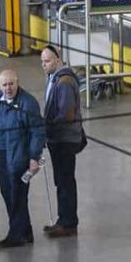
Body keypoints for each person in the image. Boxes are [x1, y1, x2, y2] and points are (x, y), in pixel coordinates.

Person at [0, 69, 45, 248]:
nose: (8, 88)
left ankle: (15, 234)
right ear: (0, 86)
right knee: (7, 193)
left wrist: (34, 157)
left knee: (17, 194)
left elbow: (37, 131)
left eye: (11, 84)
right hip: (1, 155)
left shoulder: (28, 103)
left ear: (17, 83)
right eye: (4, 85)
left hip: (20, 155)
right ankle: (25, 232)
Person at [39, 45, 85, 237]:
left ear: (58, 60)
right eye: (42, 62)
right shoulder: (54, 78)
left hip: (64, 139)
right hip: (57, 138)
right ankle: (62, 219)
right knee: (61, 180)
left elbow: (65, 113)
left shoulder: (64, 81)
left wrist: (46, 127)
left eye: (47, 61)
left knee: (66, 180)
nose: (44, 65)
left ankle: (68, 223)